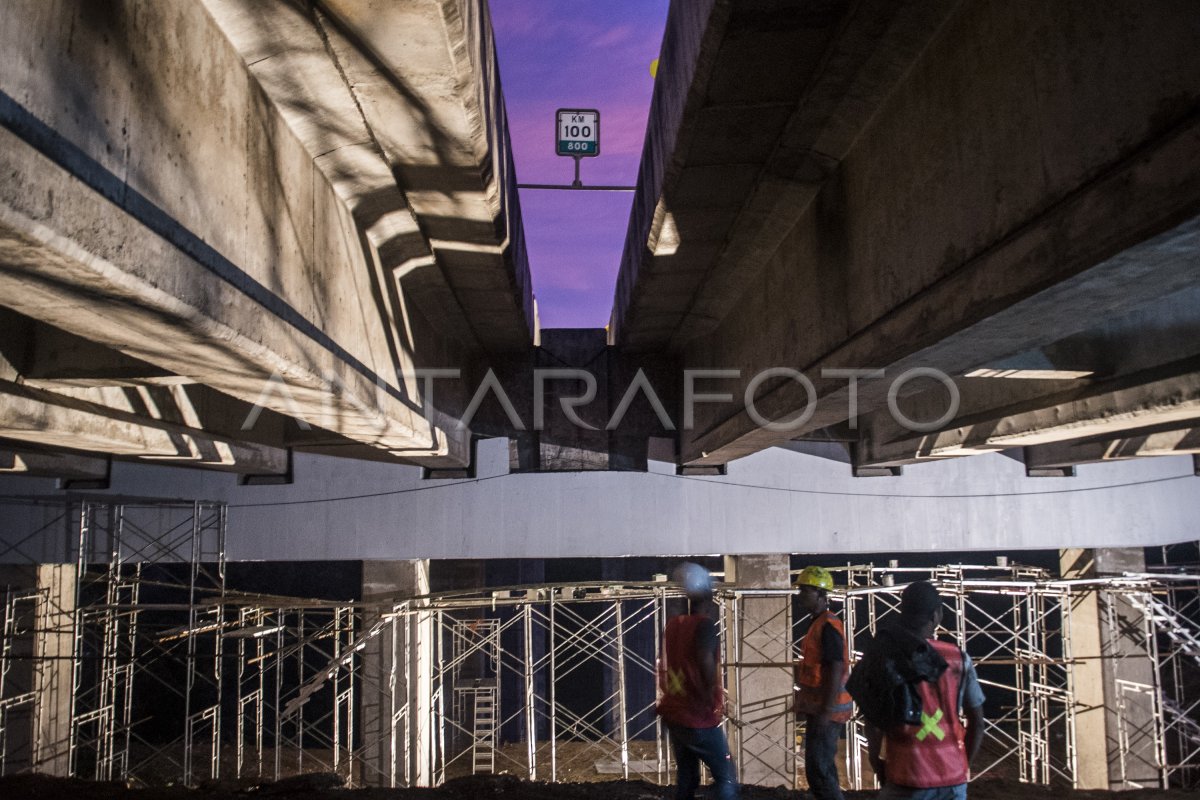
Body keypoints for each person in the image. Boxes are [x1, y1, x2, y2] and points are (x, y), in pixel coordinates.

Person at [863, 580, 986, 800]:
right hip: (951, 782)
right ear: (937, 615)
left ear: (903, 614)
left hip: (904, 777)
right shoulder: (958, 659)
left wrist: (875, 760)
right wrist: (962, 764)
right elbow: (976, 721)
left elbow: (873, 722)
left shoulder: (888, 657)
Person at [657, 562, 739, 800]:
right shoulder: (704, 626)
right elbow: (704, 662)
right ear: (708, 594)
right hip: (697, 716)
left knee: (687, 777)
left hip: (674, 713)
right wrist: (708, 700)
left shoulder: (673, 625)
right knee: (725, 777)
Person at [793, 565, 853, 800]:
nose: (801, 595)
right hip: (820, 708)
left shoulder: (827, 626)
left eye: (805, 590)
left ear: (820, 594)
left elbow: (835, 668)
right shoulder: (819, 623)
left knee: (820, 767)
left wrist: (826, 711)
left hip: (828, 710)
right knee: (818, 766)